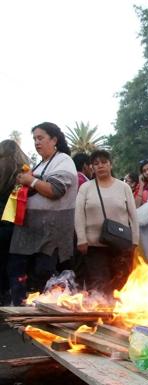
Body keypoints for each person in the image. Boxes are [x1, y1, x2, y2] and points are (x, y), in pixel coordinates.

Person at [10, 122, 78, 305]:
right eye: (34, 139)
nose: (36, 143)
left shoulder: (63, 160)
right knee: (23, 280)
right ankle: (24, 318)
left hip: (51, 235)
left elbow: (55, 190)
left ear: (54, 139)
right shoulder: (40, 164)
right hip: (29, 235)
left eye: (40, 138)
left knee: (43, 281)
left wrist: (30, 181)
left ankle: (42, 324)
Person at [74, 150, 139, 294]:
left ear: (110, 165)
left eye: (104, 162)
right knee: (99, 284)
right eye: (96, 164)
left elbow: (133, 216)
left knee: (120, 283)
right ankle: (100, 314)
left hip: (120, 244)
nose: (100, 166)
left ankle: (117, 315)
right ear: (92, 167)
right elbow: (79, 214)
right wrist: (81, 239)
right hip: (94, 245)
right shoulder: (86, 188)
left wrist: (135, 240)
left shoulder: (124, 187)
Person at [0, 140, 29, 305]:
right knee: (15, 270)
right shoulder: (24, 173)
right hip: (18, 228)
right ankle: (16, 304)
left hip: (2, 227)